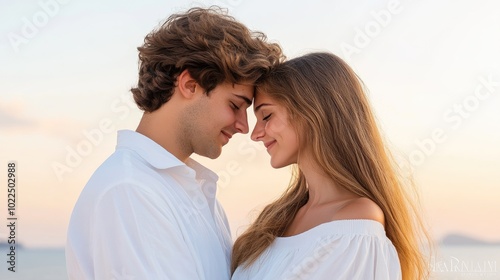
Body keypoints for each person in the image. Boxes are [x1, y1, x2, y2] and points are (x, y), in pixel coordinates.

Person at [66, 7, 283, 280]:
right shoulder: (130, 191)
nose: (244, 126)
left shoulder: (198, 195)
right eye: (235, 105)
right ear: (189, 85)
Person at [231, 52, 430, 280]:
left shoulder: (356, 224)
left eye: (266, 116)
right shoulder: (277, 218)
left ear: (312, 112)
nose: (255, 134)